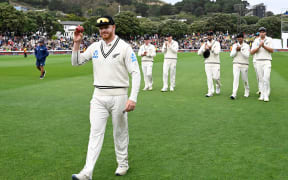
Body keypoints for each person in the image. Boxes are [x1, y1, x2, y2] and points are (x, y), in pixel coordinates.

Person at [71, 16, 141, 180]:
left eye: (106, 27)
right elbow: (76, 62)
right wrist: (76, 43)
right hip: (98, 96)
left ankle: (123, 164)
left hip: (119, 95)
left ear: (113, 27)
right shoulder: (95, 47)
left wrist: (133, 98)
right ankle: (87, 172)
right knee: (95, 133)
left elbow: (136, 73)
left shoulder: (125, 47)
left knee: (120, 132)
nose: (103, 30)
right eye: (100, 28)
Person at [251, 27, 273, 102]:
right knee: (260, 79)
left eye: (263, 32)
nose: (262, 33)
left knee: (266, 78)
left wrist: (264, 46)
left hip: (267, 61)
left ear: (265, 33)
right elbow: (252, 52)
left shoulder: (269, 39)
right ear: (259, 33)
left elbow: (272, 50)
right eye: (261, 32)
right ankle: (262, 94)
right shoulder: (256, 40)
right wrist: (259, 46)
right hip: (258, 61)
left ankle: (266, 95)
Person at [198, 31, 221, 97]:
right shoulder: (205, 44)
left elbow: (217, 52)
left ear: (213, 36)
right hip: (207, 63)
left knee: (216, 78)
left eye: (210, 35)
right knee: (209, 78)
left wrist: (211, 49)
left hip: (216, 63)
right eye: (208, 35)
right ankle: (210, 92)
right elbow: (199, 53)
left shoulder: (217, 43)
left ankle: (218, 85)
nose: (209, 36)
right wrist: (204, 50)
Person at [230, 33, 250, 99]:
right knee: (235, 78)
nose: (239, 39)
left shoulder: (246, 46)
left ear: (243, 38)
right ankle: (234, 93)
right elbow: (231, 55)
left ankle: (247, 91)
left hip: (244, 64)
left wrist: (241, 50)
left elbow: (247, 55)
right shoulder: (235, 45)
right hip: (236, 64)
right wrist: (236, 50)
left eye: (240, 37)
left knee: (245, 79)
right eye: (238, 38)